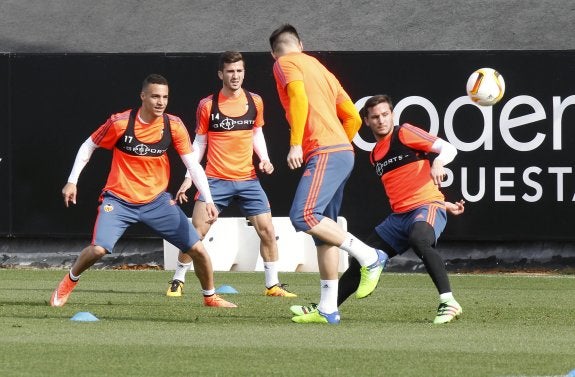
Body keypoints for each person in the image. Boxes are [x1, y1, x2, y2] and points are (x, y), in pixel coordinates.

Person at [50, 74, 236, 308]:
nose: (161, 102)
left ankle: (210, 297)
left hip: (157, 202)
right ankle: (68, 282)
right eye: (155, 96)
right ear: (143, 96)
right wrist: (72, 180)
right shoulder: (120, 123)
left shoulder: (173, 125)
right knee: (98, 249)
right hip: (119, 201)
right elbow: (89, 145)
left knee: (197, 249)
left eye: (165, 97)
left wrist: (208, 199)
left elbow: (193, 165)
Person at [291, 94, 464, 324]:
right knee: (360, 262)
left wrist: (439, 162)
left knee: (419, 239)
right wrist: (446, 204)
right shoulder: (375, 155)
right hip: (398, 218)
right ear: (367, 121)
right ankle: (327, 308)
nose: (381, 120)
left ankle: (448, 302)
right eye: (375, 117)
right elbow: (406, 186)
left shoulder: (404, 132)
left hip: (425, 207)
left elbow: (448, 148)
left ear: (392, 115)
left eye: (385, 115)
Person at [269, 24, 387, 324]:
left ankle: (369, 256)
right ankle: (328, 308)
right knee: (325, 234)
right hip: (340, 152)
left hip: (325, 151)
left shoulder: (284, 63)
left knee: (303, 216)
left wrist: (297, 143)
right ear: (301, 44)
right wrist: (338, 142)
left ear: (274, 52)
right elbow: (352, 117)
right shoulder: (322, 69)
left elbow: (298, 97)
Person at [166, 51, 297, 298]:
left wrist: (265, 159)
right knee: (196, 233)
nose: (235, 76)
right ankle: (178, 279)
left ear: (244, 72)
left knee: (267, 230)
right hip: (215, 179)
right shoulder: (208, 105)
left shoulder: (255, 101)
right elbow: (199, 143)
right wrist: (188, 178)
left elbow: (256, 133)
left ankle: (272, 285)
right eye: (230, 71)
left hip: (248, 179)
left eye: (239, 71)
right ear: (221, 74)